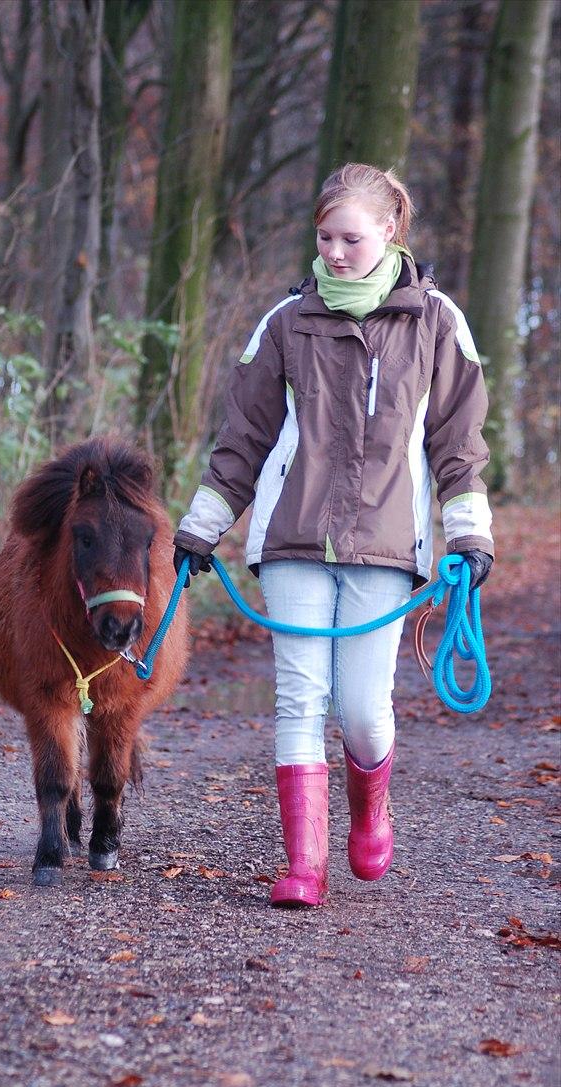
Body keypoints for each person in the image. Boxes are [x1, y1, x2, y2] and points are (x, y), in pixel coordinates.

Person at [172, 163, 494, 909]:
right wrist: (200, 528)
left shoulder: (436, 321)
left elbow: (460, 442)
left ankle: (371, 807)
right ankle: (304, 867)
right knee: (298, 699)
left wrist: (469, 532)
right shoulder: (285, 322)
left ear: (390, 231)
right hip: (292, 538)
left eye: (351, 237)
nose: (337, 251)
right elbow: (243, 439)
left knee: (362, 710)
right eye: (325, 237)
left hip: (388, 542)